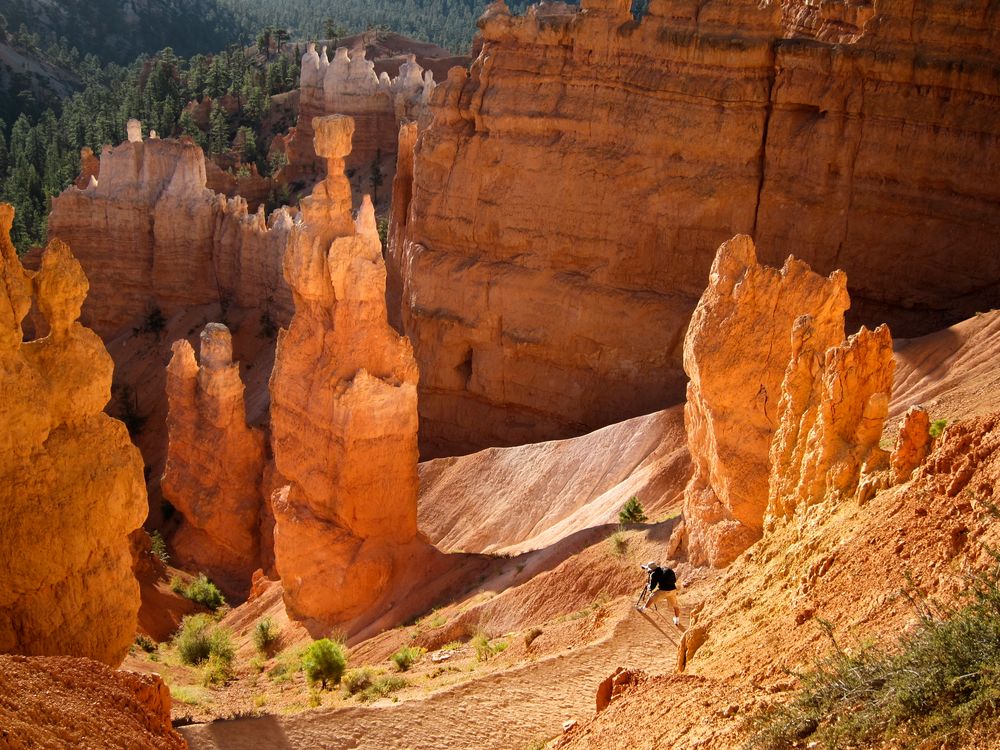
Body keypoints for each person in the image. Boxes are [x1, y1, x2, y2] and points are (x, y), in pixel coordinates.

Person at [638, 561, 681, 626]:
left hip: (663, 591)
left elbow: (651, 588)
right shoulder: (667, 569)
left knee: (651, 596)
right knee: (675, 605)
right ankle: (677, 620)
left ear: (651, 570)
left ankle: (643, 609)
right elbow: (674, 580)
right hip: (673, 590)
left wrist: (648, 585)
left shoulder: (654, 574)